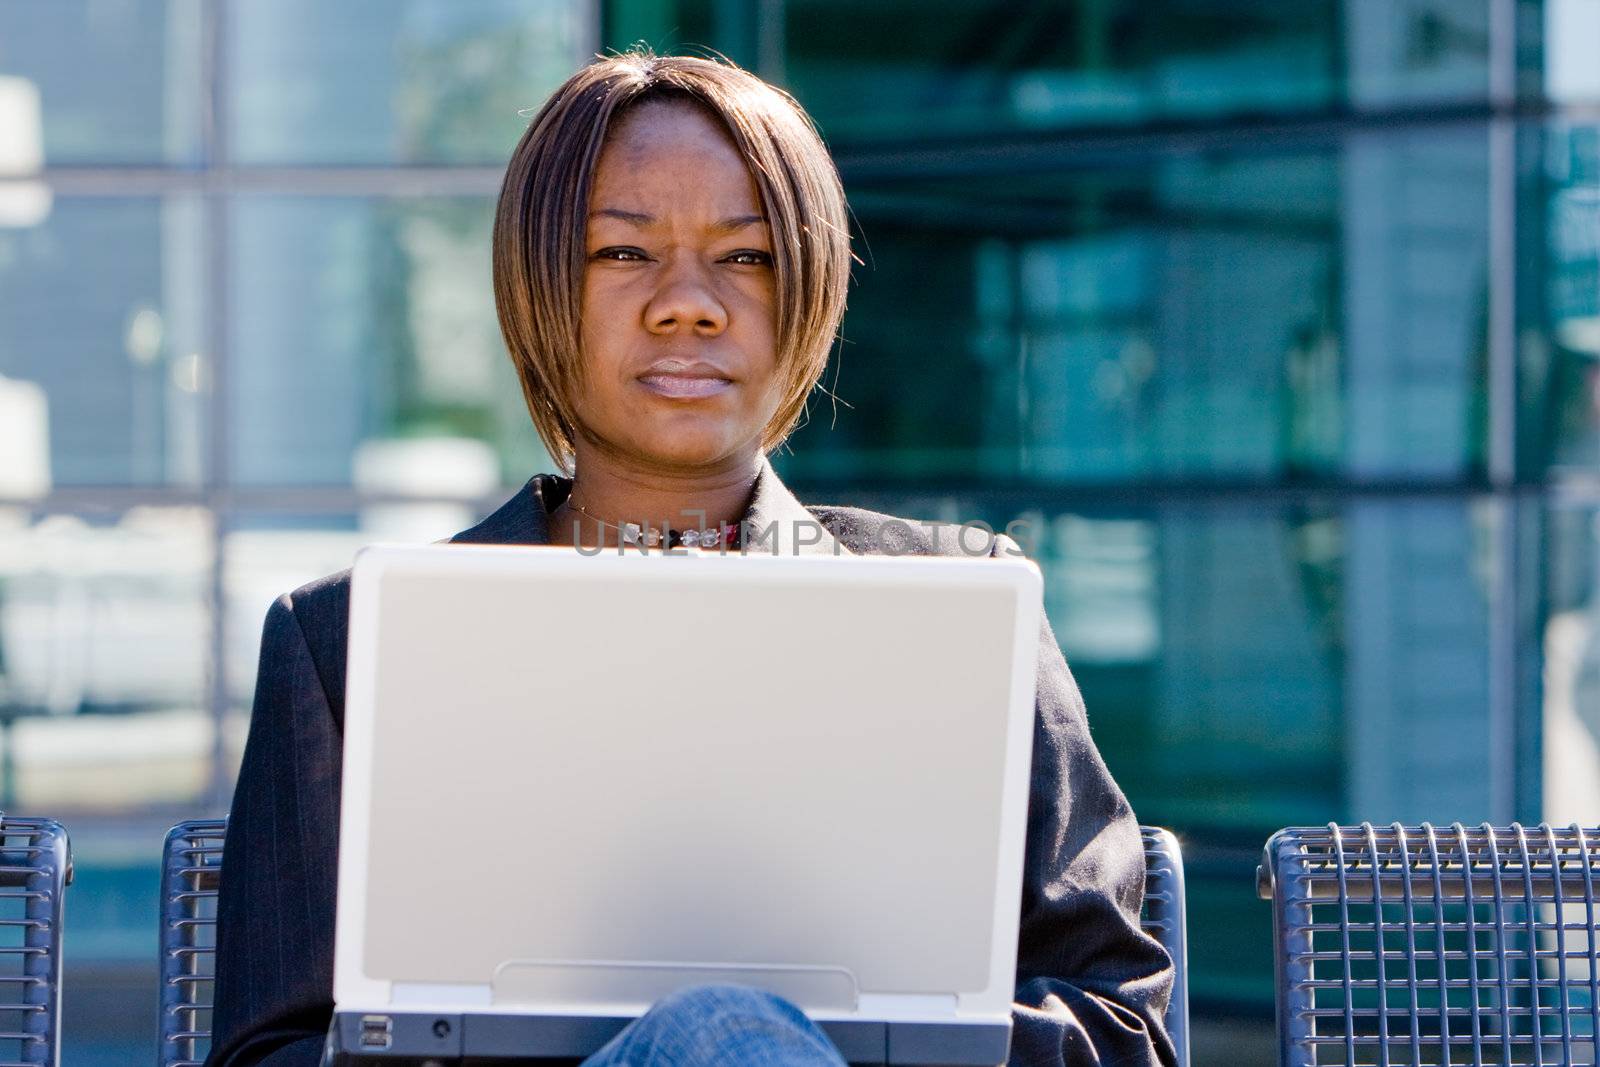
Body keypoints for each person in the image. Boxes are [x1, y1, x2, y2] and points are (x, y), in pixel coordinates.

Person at [206, 49, 1177, 1067]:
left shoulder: (966, 612)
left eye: (746, 257)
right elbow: (263, 1052)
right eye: (624, 255)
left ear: (808, 289)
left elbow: (1121, 1030)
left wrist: (868, 1038)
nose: (689, 303)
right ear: (539, 286)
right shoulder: (348, 643)